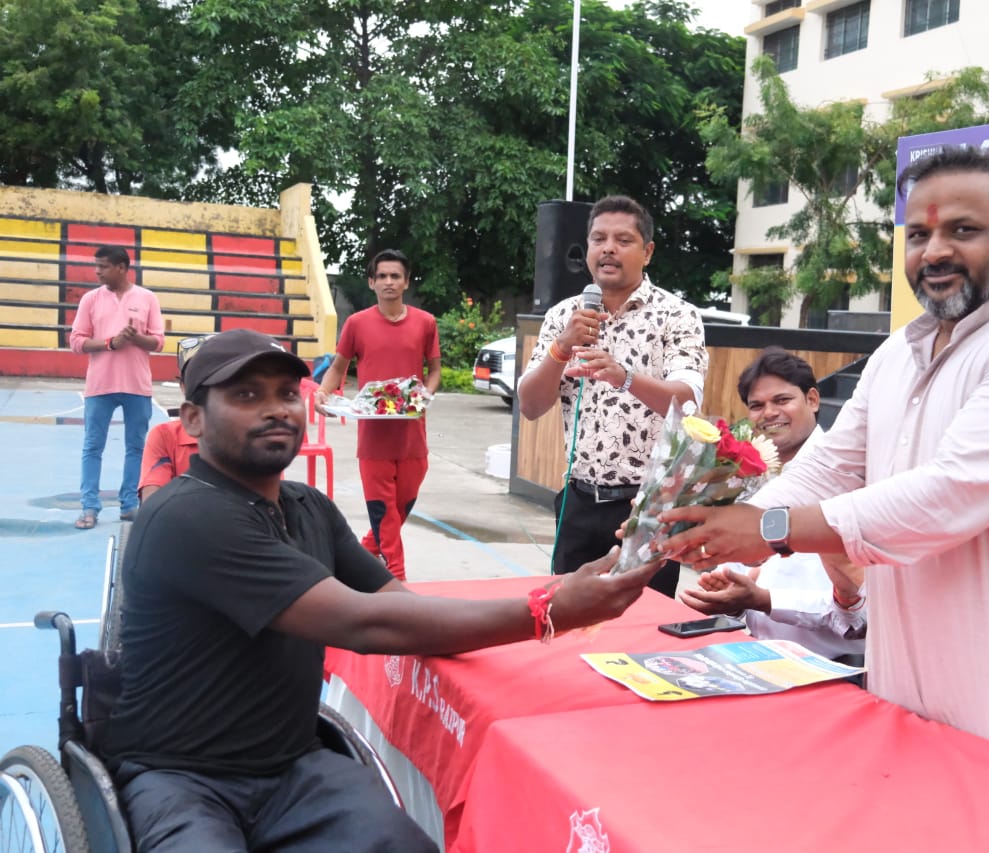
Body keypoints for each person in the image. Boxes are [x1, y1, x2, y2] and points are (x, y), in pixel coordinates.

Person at [662, 146, 989, 793]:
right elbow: (828, 465)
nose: (935, 251)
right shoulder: (898, 355)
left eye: (963, 229)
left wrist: (766, 528)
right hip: (905, 692)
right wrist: (735, 546)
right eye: (918, 234)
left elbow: (945, 497)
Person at [104, 328, 661, 852]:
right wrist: (546, 612)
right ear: (194, 420)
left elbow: (394, 602)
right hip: (181, 774)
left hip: (292, 766)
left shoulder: (308, 507)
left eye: (286, 393)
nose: (276, 408)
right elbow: (365, 624)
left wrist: (560, 587)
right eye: (247, 394)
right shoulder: (188, 516)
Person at [518, 195, 708, 598]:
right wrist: (561, 348)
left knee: (640, 627)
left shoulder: (677, 315)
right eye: (598, 239)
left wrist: (624, 377)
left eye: (623, 240)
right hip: (578, 499)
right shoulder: (563, 316)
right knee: (564, 619)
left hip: (648, 507)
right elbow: (531, 406)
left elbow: (688, 402)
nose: (608, 249)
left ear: (648, 251)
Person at [679, 348, 866, 662]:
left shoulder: (847, 475)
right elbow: (746, 577)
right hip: (757, 656)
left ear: (813, 400)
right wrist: (732, 596)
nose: (768, 413)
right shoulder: (747, 475)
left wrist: (764, 599)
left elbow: (859, 604)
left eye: (782, 400)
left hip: (834, 668)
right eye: (756, 405)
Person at [314, 249, 442, 580]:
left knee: (398, 512)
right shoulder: (357, 324)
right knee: (384, 516)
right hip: (372, 438)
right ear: (371, 282)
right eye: (381, 276)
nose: (388, 282)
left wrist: (425, 395)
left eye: (395, 276)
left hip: (413, 436)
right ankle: (396, 581)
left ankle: (351, 561)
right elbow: (338, 366)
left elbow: (435, 371)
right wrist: (323, 393)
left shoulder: (425, 323)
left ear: (406, 282)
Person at [69, 245, 165, 528]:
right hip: (100, 386)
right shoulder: (90, 299)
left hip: (137, 386)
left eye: (103, 266)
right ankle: (89, 508)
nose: (97, 271)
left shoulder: (147, 298)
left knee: (136, 448)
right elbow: (76, 342)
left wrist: (137, 337)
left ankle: (129, 505)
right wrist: (111, 343)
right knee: (92, 447)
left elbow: (158, 342)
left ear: (122, 268)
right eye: (96, 266)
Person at [138, 336, 205, 502]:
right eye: (198, 377)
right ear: (183, 386)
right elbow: (151, 503)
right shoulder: (165, 436)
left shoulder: (250, 439)